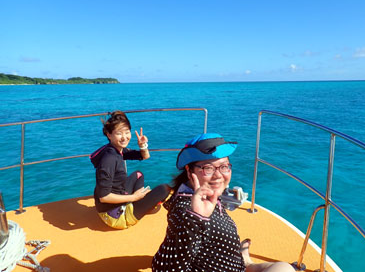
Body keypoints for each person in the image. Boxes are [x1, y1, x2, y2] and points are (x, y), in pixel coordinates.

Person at [152, 133, 295, 272]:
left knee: (283, 267)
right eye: (208, 168)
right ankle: (245, 261)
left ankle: (245, 261)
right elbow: (164, 268)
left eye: (224, 166)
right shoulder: (185, 212)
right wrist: (195, 219)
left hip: (231, 263)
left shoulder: (205, 194)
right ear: (189, 172)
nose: (219, 175)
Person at [90, 110, 170, 229]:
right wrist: (134, 197)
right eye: (119, 133)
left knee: (138, 174)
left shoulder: (117, 150)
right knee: (164, 189)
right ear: (109, 135)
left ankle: (136, 203)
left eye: (127, 132)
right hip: (114, 216)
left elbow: (145, 156)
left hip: (118, 198)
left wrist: (143, 145)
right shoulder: (110, 159)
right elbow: (104, 197)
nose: (124, 137)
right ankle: (136, 204)